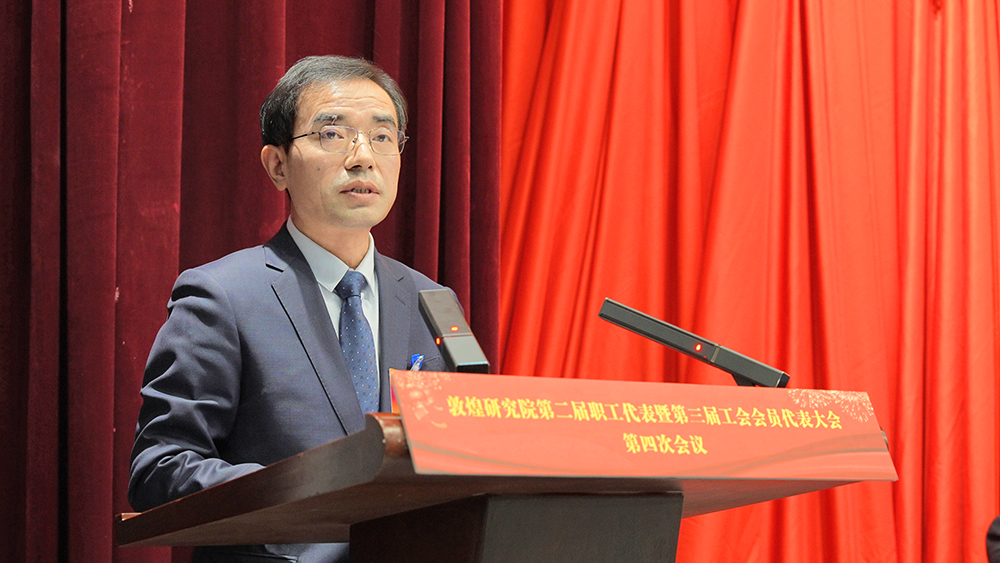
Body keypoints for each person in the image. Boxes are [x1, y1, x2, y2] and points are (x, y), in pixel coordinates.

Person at [128, 55, 451, 563]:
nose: (362, 157)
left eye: (382, 136)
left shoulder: (430, 300)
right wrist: (298, 491)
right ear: (278, 165)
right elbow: (160, 468)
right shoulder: (222, 296)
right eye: (333, 134)